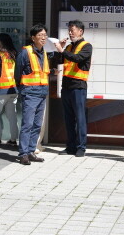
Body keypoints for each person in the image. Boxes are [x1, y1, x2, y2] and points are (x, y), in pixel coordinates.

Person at [55, 20, 92, 157]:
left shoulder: (87, 46)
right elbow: (59, 62)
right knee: (68, 118)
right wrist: (60, 50)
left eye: (73, 30)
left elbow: (77, 58)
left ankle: (81, 147)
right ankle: (70, 146)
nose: (70, 33)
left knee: (80, 118)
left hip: (78, 86)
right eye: (69, 31)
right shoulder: (69, 47)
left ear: (81, 31)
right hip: (66, 86)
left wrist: (62, 50)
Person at [15, 25, 51, 165]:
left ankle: (31, 151)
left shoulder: (44, 52)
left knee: (37, 124)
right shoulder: (25, 52)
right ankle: (23, 153)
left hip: (42, 93)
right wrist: (22, 88)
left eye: (45, 35)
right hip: (30, 93)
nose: (43, 37)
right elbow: (18, 73)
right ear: (33, 37)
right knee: (27, 124)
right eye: (40, 35)